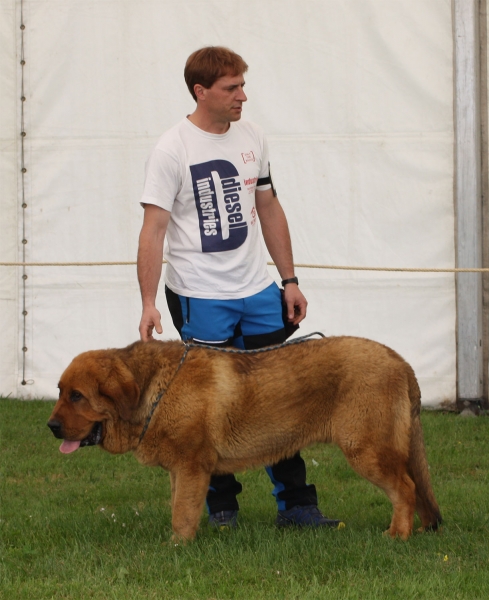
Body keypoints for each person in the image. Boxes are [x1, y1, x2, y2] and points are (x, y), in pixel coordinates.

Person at [136, 46, 340, 529]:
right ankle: (222, 509)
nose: (242, 97)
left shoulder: (253, 136)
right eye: (231, 89)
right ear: (200, 91)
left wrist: (289, 280)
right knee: (209, 407)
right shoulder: (171, 149)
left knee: (280, 398)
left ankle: (297, 505)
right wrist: (148, 302)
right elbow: (153, 230)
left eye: (243, 86)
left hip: (257, 291)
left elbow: (268, 207)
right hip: (199, 296)